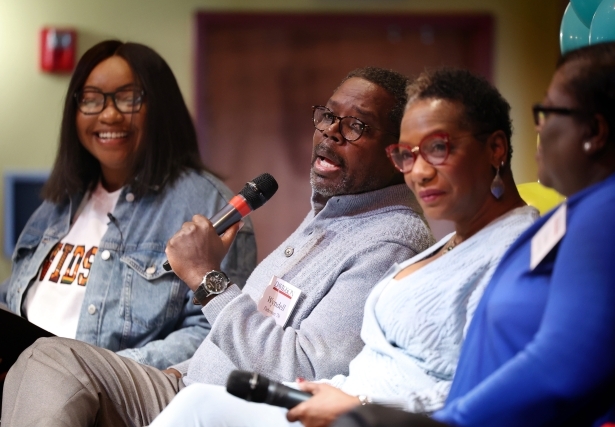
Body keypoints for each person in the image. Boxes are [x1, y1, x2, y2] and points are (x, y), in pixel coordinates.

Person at [1, 67, 434, 427]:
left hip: (226, 411)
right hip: (183, 385)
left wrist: (207, 279)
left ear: (398, 153)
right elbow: (243, 334)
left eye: (356, 125)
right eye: (328, 117)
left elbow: (305, 372)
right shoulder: (333, 214)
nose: (331, 133)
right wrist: (181, 370)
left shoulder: (388, 242)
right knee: (50, 359)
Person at [141, 68, 540, 427]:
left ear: (496, 150)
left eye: (438, 149)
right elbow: (372, 362)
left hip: (370, 417)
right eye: (409, 155)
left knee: (194, 407)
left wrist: (356, 402)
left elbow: (481, 388)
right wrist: (334, 391)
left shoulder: (518, 252)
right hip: (328, 401)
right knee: (196, 402)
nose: (419, 170)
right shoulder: (448, 245)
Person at [0, 40, 256, 369]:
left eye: (128, 97)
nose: (109, 114)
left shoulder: (208, 206)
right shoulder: (59, 202)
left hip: (110, 408)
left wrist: (99, 374)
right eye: (91, 99)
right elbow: (13, 296)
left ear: (161, 108)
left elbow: (216, 335)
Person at [432, 42, 615, 426]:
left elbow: (565, 361)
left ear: (595, 131)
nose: (538, 127)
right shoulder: (600, 204)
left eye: (547, 112)